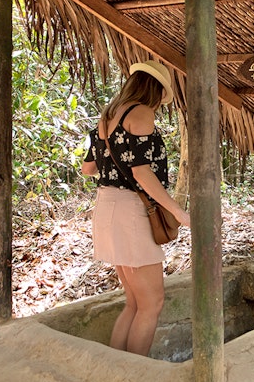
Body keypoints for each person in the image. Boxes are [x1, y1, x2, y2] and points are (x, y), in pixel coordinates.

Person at [81, 60, 191, 356]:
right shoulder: (141, 113)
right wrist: (178, 212)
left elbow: (88, 168)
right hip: (130, 210)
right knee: (151, 304)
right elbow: (142, 173)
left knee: (134, 303)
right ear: (154, 89)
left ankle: (116, 369)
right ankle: (134, 372)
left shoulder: (108, 116)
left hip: (106, 207)